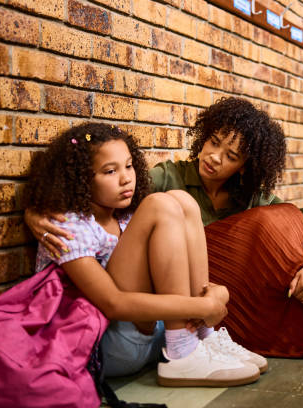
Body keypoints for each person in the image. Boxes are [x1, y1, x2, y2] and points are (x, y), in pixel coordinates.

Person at [27, 98, 303, 365]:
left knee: (289, 226)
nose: (214, 158)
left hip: (202, 293)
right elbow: (88, 196)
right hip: (180, 291)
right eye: (213, 143)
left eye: (231, 156)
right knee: (265, 222)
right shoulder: (166, 180)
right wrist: (36, 213)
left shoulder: (249, 195)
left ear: (246, 167)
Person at [23, 122, 264, 387]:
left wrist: (217, 293)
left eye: (129, 166)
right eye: (110, 171)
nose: (126, 178)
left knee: (182, 201)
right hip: (106, 345)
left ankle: (202, 339)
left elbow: (169, 271)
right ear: (80, 179)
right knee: (159, 203)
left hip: (155, 336)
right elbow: (112, 303)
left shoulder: (125, 217)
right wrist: (203, 306)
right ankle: (183, 356)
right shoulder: (68, 227)